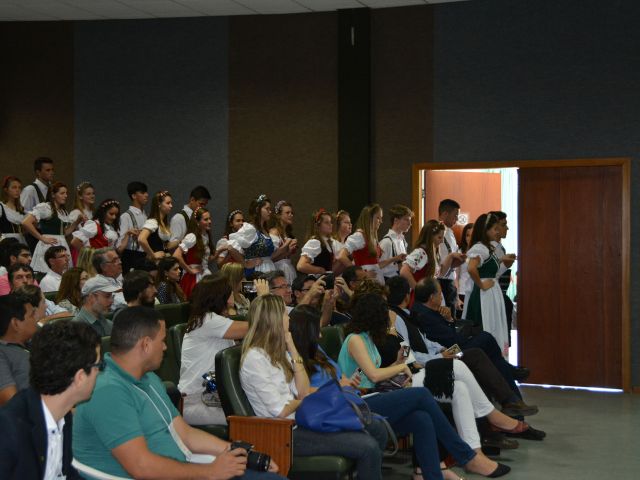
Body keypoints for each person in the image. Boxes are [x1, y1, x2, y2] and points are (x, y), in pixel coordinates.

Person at [73, 306, 282, 479]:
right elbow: (141, 466)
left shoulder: (148, 379)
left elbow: (185, 433)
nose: (165, 347)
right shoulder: (108, 391)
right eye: (162, 341)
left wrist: (241, 452)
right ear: (145, 344)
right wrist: (210, 472)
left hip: (183, 466)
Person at [338, 293, 513, 479]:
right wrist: (401, 366)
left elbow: (368, 374)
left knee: (422, 419)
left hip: (372, 395)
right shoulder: (355, 339)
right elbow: (373, 375)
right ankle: (465, 455)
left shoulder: (368, 340)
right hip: (359, 402)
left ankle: (433, 474)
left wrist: (396, 363)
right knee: (422, 395)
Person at [240, 295, 386, 480]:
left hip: (302, 420)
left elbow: (303, 390)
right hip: (284, 433)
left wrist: (292, 347)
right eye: (285, 315)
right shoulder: (255, 359)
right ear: (274, 320)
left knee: (376, 429)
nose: (289, 319)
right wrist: (301, 400)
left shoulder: (279, 353)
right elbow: (281, 411)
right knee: (368, 446)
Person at [386, 276, 537, 419]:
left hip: (441, 352)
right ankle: (511, 397)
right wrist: (440, 355)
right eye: (440, 293)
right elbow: (407, 352)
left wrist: (442, 344)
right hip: (433, 361)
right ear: (407, 296)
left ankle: (512, 403)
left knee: (486, 349)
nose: (442, 296)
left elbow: (425, 341)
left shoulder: (407, 315)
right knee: (482, 344)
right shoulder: (400, 319)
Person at [0, 320, 101, 480]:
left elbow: (65, 473)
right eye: (98, 366)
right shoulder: (8, 430)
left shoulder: (61, 414)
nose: (99, 373)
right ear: (80, 377)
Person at [412, 278, 532, 389]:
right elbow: (451, 338)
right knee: (486, 338)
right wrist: (452, 324)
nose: (441, 297)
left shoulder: (426, 309)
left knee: (486, 343)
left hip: (450, 346)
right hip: (451, 352)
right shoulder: (426, 316)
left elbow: (448, 334)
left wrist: (449, 319)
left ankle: (510, 374)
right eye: (439, 293)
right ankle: (510, 373)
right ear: (431, 297)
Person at [179, 274, 249, 425]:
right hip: (195, 400)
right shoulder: (207, 320)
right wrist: (263, 299)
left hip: (213, 397)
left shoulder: (211, 320)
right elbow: (255, 328)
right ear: (220, 296)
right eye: (230, 291)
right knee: (249, 419)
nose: (234, 294)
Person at [465, 214, 509, 356]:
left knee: (494, 326)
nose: (498, 232)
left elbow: (492, 273)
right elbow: (471, 268)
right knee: (486, 326)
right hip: (484, 295)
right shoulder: (480, 247)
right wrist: (482, 285)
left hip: (491, 292)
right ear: (485, 230)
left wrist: (505, 264)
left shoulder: (488, 248)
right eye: (495, 229)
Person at [21, 182, 81, 273]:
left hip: (62, 244)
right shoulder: (46, 207)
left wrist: (77, 222)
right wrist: (42, 238)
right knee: (47, 271)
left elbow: (65, 233)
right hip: (49, 245)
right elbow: (26, 222)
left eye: (66, 193)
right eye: (62, 193)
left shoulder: (63, 211)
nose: (65, 196)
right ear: (53, 194)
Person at [0, 289, 45, 406]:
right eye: (31, 315)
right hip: (39, 416)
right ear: (16, 323)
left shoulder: (35, 343)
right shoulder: (2, 353)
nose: (36, 318)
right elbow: (12, 403)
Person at [400, 220, 465, 291]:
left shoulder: (432, 253)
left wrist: (451, 256)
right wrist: (418, 290)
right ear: (430, 237)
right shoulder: (421, 252)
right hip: (421, 297)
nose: (442, 241)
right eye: (439, 237)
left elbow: (440, 273)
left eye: (443, 238)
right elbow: (404, 271)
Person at [228, 194, 276, 277]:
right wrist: (245, 264)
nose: (270, 211)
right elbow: (230, 247)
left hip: (269, 269)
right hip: (256, 271)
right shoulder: (249, 228)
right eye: (267, 209)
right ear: (258, 210)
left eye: (270, 209)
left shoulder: (264, 230)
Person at [337, 203, 385, 284]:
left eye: (381, 218)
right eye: (378, 218)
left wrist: (394, 259)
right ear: (369, 218)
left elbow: (376, 264)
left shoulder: (372, 237)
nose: (381, 221)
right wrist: (362, 274)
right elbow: (341, 256)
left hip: (375, 282)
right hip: (366, 283)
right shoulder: (359, 236)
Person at [173, 207, 214, 299]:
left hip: (205, 274)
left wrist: (220, 251)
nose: (209, 221)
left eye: (209, 218)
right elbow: (176, 255)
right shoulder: (192, 237)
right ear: (197, 222)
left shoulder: (205, 235)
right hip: (194, 277)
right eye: (206, 219)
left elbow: (206, 260)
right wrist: (189, 270)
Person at [297, 209, 341, 275]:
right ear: (317, 226)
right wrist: (320, 270)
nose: (330, 225)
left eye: (330, 222)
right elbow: (301, 266)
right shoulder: (314, 242)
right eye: (326, 222)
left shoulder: (327, 242)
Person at [437, 199, 462, 316]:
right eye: (455, 216)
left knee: (452, 316)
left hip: (450, 279)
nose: (456, 220)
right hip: (440, 280)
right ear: (445, 214)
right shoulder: (437, 231)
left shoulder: (450, 233)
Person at [117, 181, 149, 274]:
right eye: (142, 193)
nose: (146, 195)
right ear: (134, 196)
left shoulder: (145, 216)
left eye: (146, 192)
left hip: (144, 255)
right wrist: (130, 233)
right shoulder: (126, 216)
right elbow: (120, 243)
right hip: (131, 255)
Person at [138, 190, 178, 261]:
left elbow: (166, 246)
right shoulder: (152, 222)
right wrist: (153, 255)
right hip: (154, 264)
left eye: (171, 203)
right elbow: (141, 239)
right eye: (168, 203)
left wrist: (180, 241)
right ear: (159, 204)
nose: (171, 206)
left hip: (163, 262)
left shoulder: (163, 223)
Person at [379, 204, 412, 279]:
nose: (410, 224)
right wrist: (398, 266)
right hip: (389, 284)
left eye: (410, 220)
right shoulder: (386, 242)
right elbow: (378, 267)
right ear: (396, 220)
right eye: (406, 220)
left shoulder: (402, 240)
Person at [268, 200, 298, 285]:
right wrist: (287, 248)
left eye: (292, 213)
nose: (291, 215)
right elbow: (271, 258)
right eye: (287, 213)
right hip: (279, 269)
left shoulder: (287, 233)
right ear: (278, 215)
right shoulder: (274, 232)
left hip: (288, 267)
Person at [0, 176, 26, 244]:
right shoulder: (1, 207)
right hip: (6, 243)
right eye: (14, 187)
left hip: (21, 242)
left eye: (19, 187)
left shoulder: (21, 209)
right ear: (6, 189)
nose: (17, 190)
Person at [457, 223, 474, 315]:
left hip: (475, 292)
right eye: (467, 235)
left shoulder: (481, 253)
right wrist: (456, 297)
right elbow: (455, 276)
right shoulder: (460, 253)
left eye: (472, 235)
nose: (469, 238)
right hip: (462, 292)